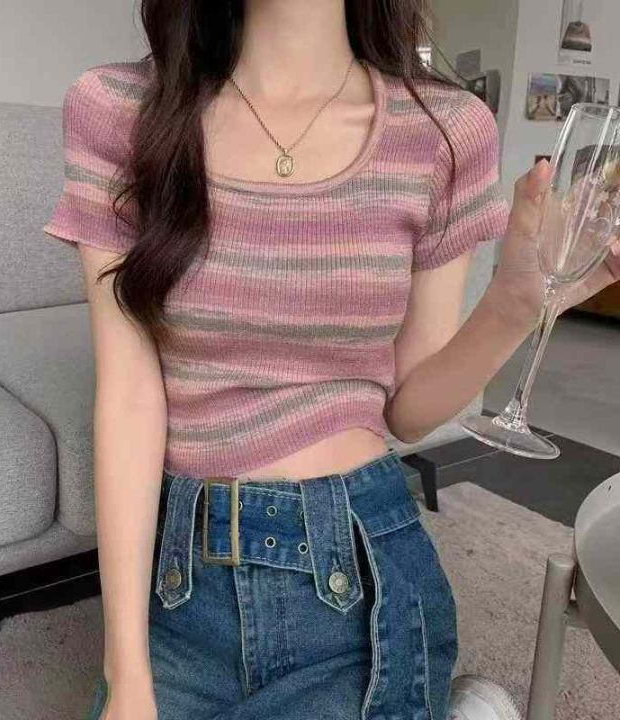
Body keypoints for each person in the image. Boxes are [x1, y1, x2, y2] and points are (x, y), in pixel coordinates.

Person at [42, 2, 620, 719]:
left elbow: (409, 413)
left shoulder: (444, 129)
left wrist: (516, 303)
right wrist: (126, 672)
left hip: (358, 573)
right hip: (182, 581)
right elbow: (129, 396)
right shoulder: (117, 110)